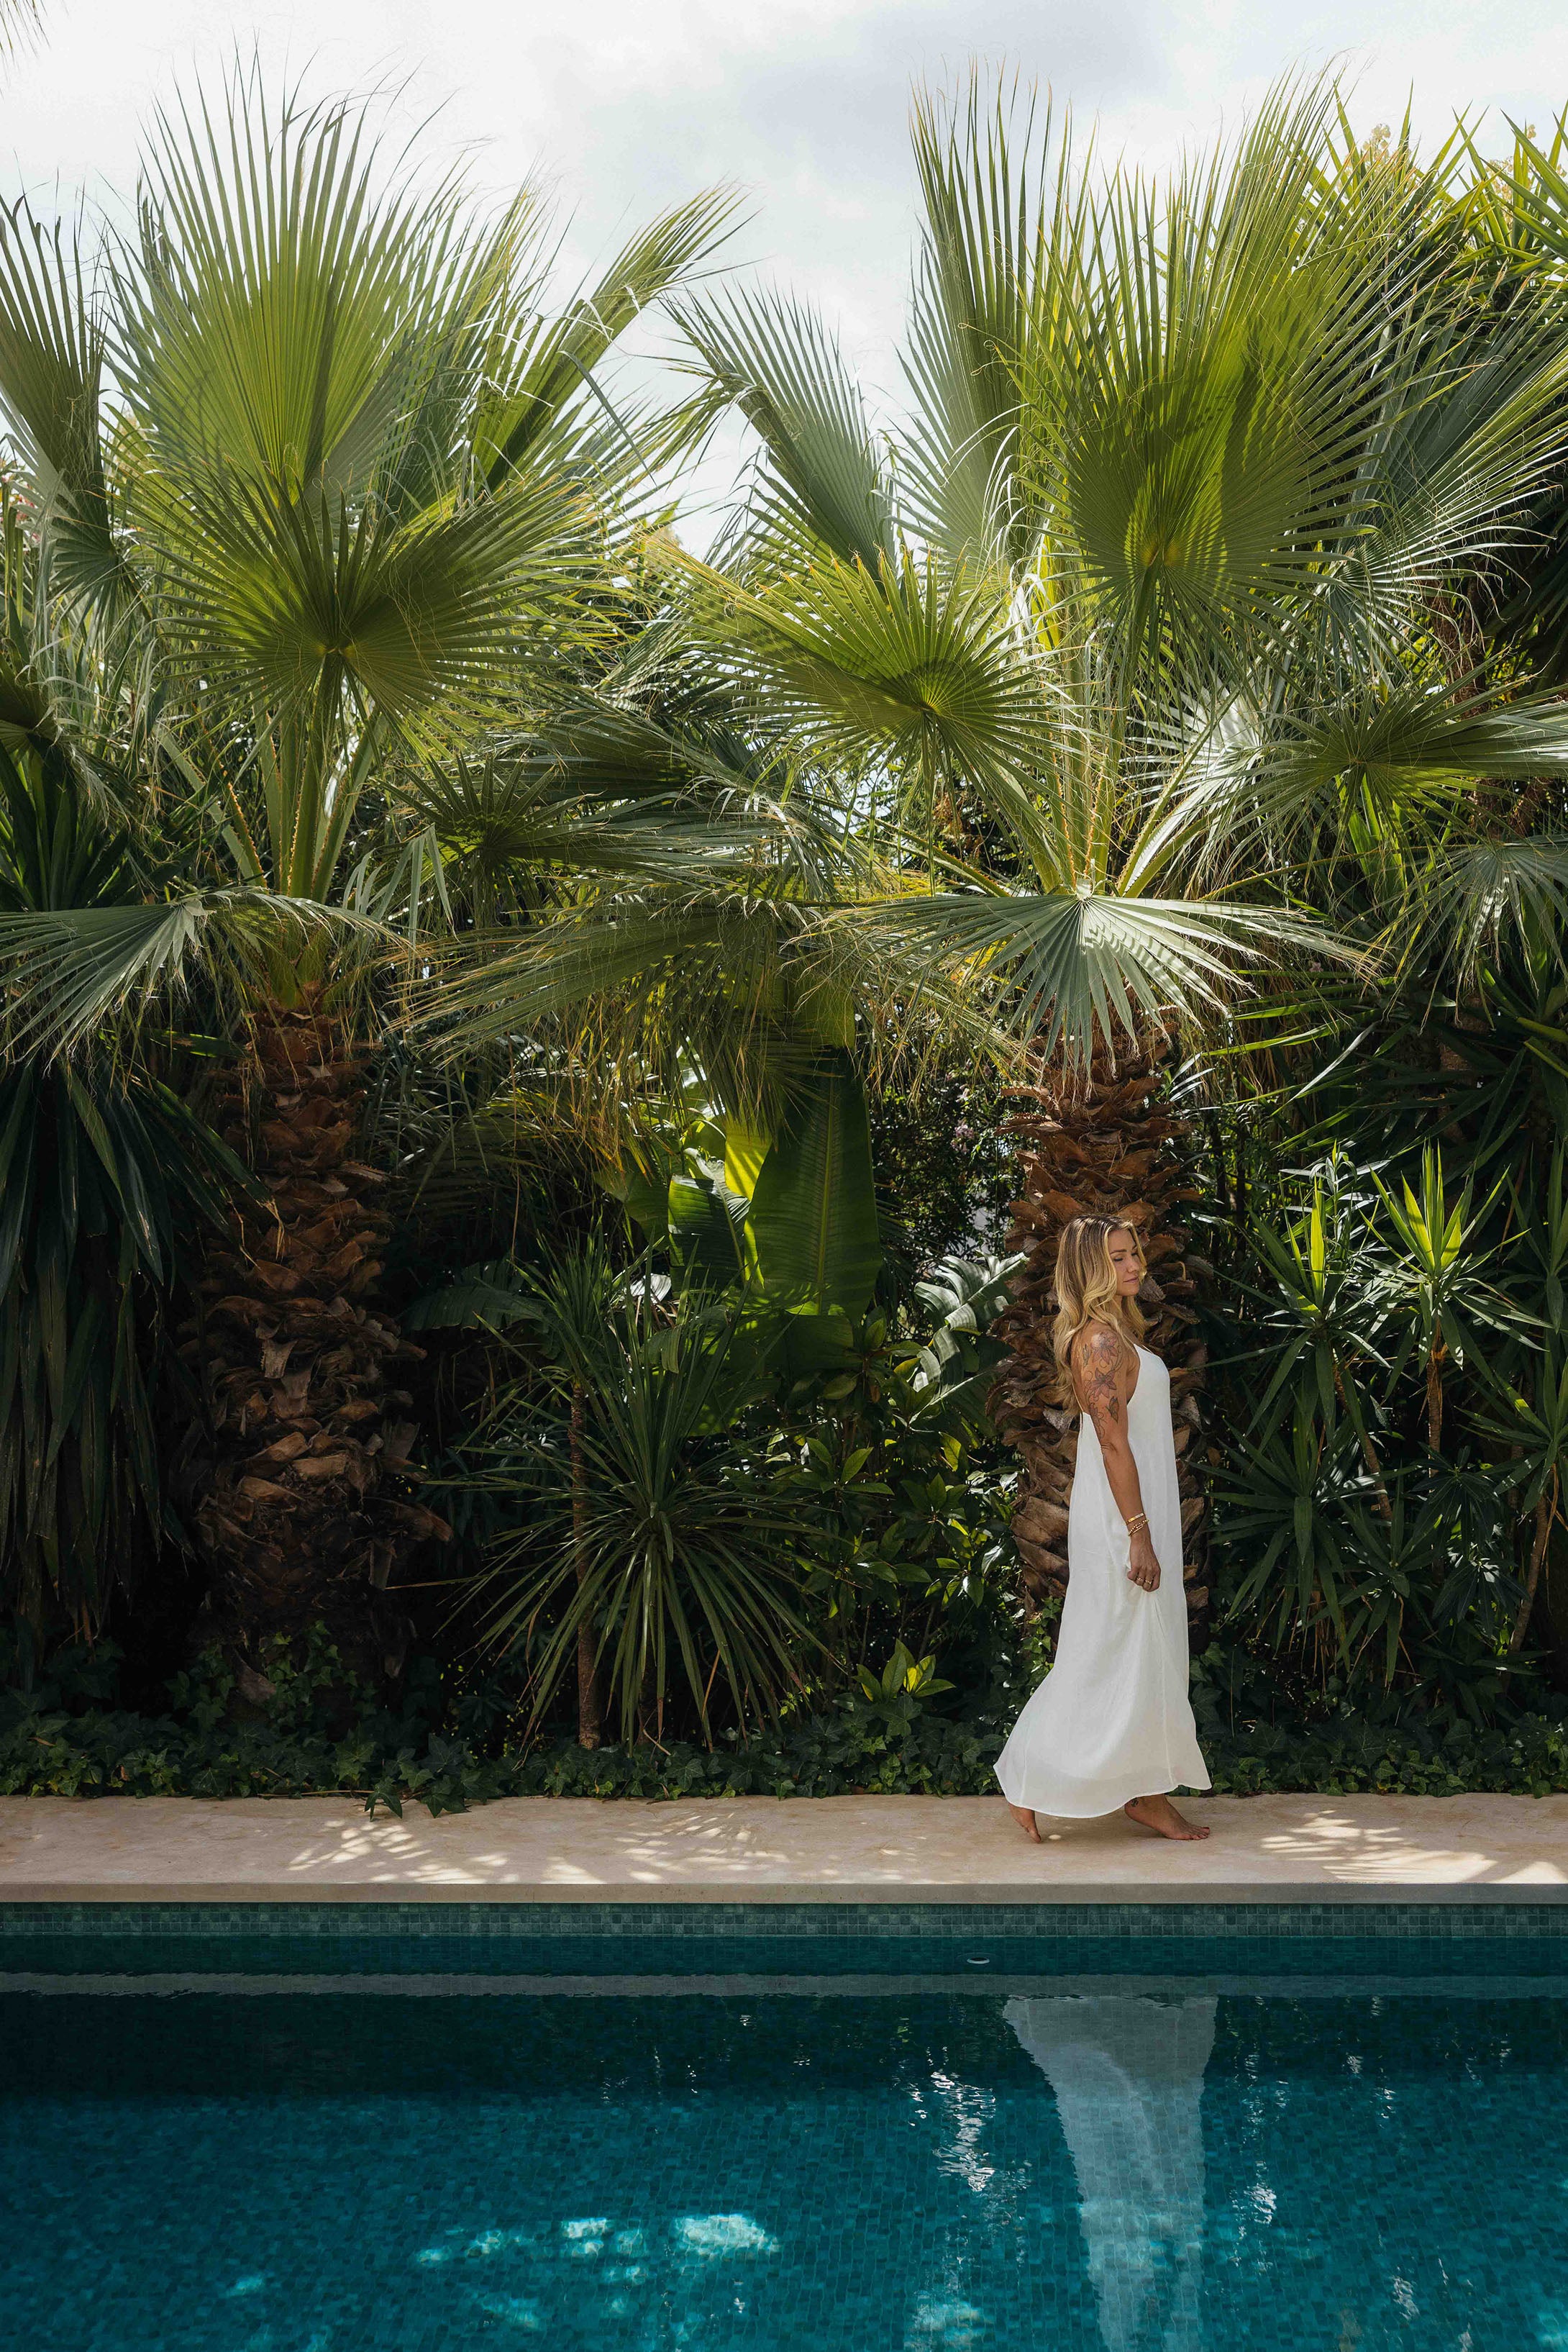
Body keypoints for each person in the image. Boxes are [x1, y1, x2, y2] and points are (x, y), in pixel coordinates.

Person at [995, 1214, 1212, 1843]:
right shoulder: (1097, 1342)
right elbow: (1114, 1442)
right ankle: (1030, 1775)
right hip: (1123, 1521)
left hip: (1140, 1513)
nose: (1134, 1264)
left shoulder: (1116, 1335)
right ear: (1090, 1269)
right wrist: (1138, 1532)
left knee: (1141, 1653)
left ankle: (1144, 1793)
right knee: (1105, 1650)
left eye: (1133, 1252)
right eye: (1117, 1258)